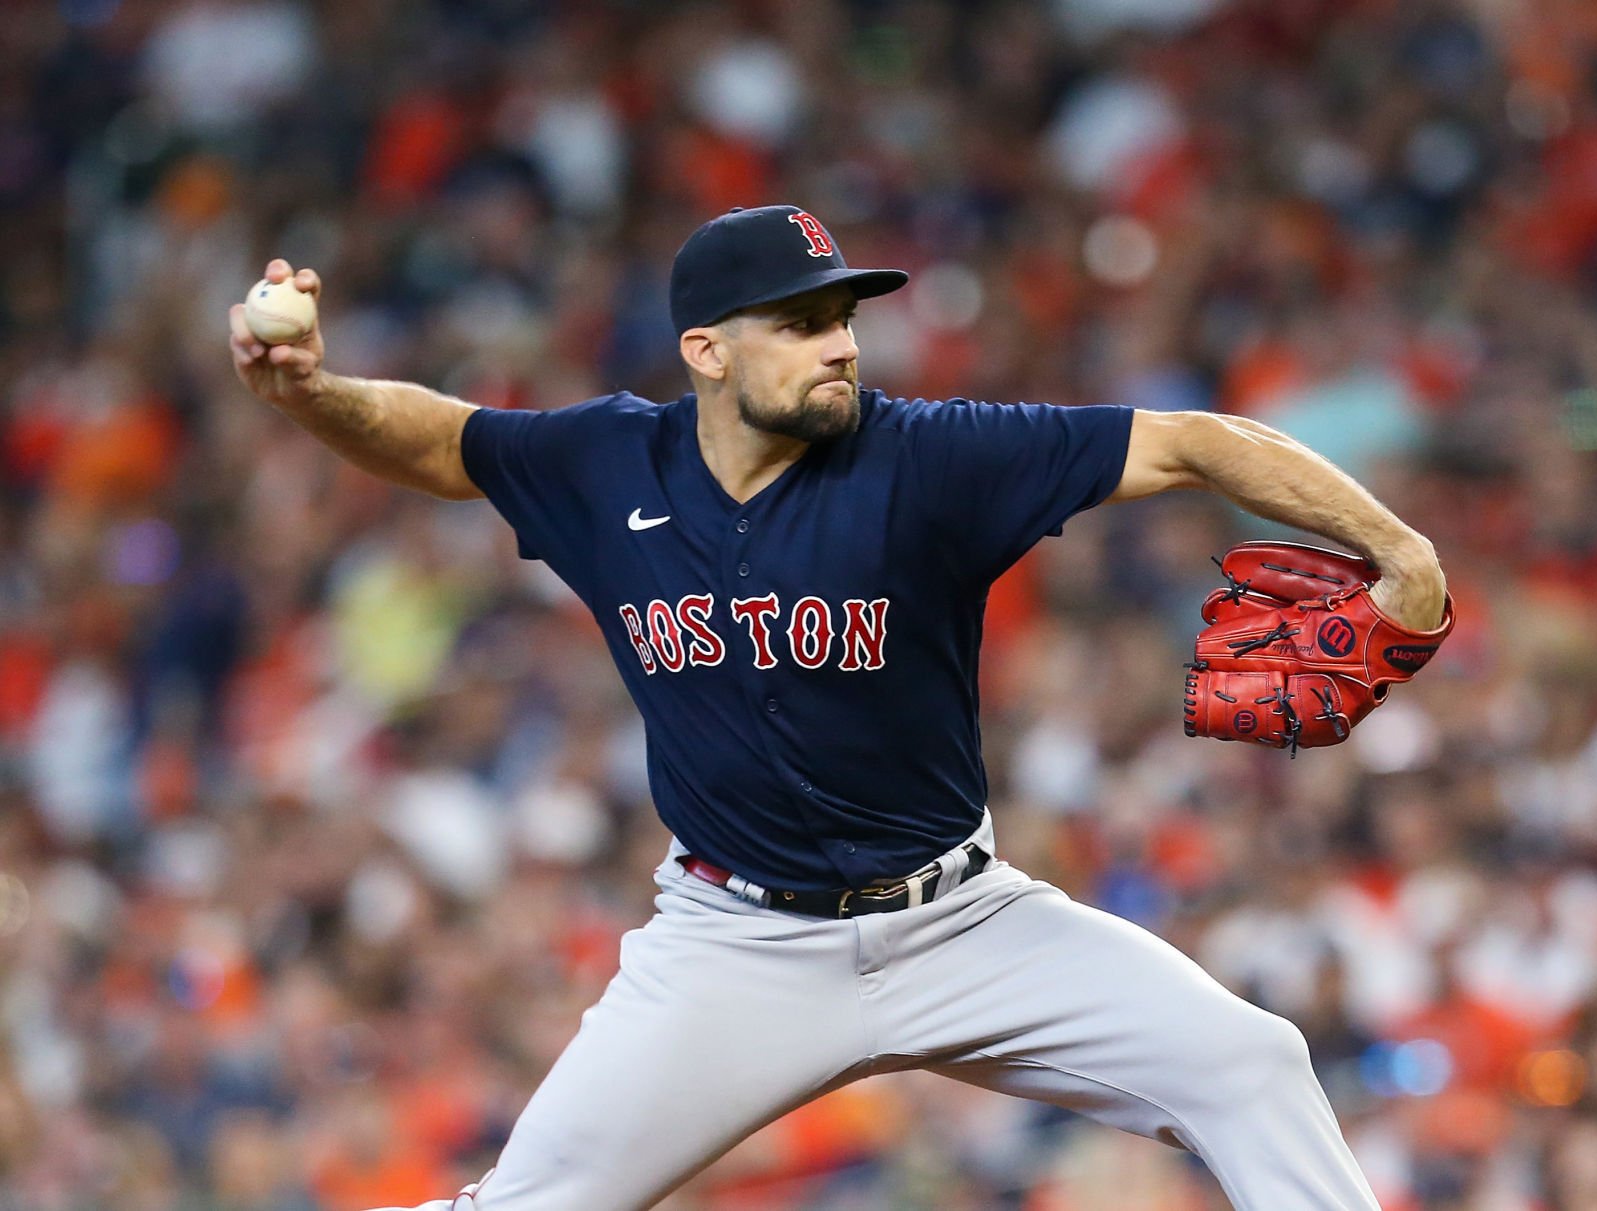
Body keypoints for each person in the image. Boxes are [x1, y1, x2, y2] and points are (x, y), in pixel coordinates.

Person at [229, 204, 1447, 1211]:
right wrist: (309, 391)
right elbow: (442, 441)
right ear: (706, 351)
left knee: (1251, 1062)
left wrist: (1394, 544)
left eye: (845, 318)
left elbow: (1193, 442)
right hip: (735, 944)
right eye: (801, 323)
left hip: (963, 920)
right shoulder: (607, 464)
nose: (841, 346)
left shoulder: (928, 454)